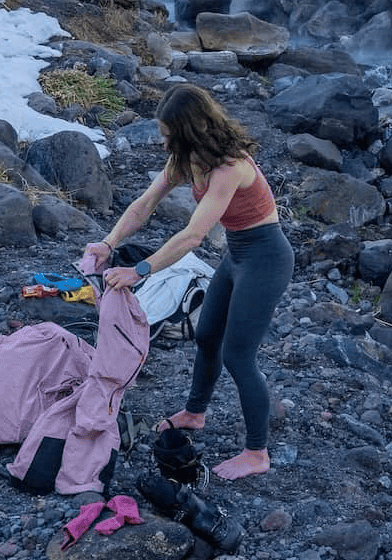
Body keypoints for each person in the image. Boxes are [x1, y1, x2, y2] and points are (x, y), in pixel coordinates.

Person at [87, 83, 293, 480]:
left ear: (190, 131)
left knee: (238, 355)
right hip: (238, 255)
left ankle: (257, 453)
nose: (164, 146)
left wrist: (139, 271)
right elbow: (145, 203)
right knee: (206, 337)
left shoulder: (231, 168)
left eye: (168, 137)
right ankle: (195, 414)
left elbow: (193, 236)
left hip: (266, 259)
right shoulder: (188, 159)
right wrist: (108, 243)